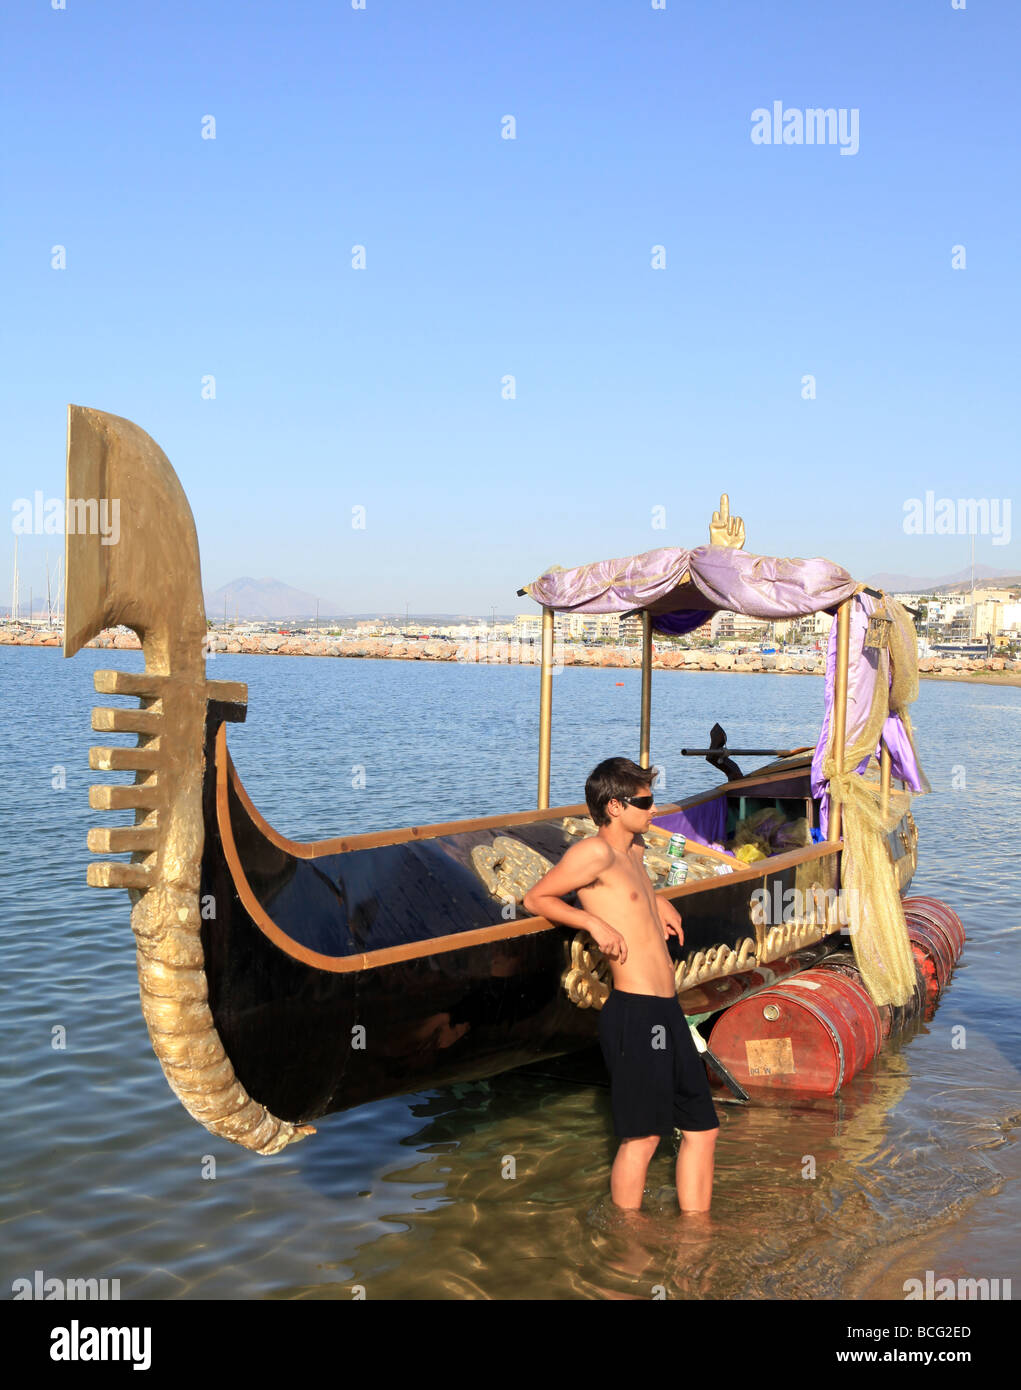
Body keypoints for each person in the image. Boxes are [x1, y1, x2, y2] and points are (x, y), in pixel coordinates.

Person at [523, 756, 719, 1212]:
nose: (655, 810)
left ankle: (696, 1237)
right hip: (634, 1012)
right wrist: (591, 923)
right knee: (644, 1137)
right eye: (646, 801)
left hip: (667, 1009)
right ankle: (627, 1248)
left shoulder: (634, 851)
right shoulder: (593, 853)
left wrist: (659, 901)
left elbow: (631, 894)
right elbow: (537, 898)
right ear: (614, 806)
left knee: (702, 1129)